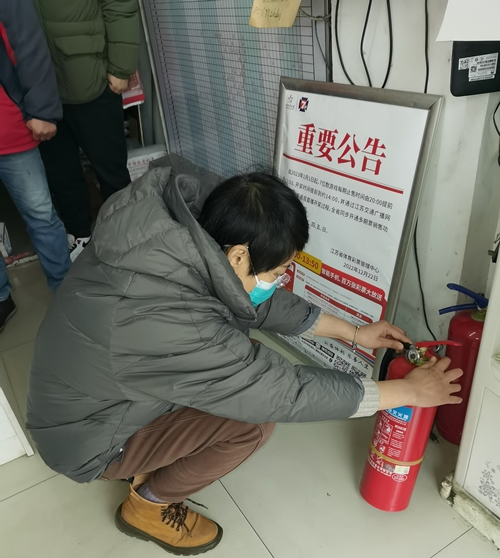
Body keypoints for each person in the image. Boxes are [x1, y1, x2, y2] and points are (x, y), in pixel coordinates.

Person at [27, 169, 462, 555]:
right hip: (88, 440)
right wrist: (407, 392)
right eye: (277, 273)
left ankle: (147, 465)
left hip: (85, 399)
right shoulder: (176, 320)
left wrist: (353, 333)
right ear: (238, 256)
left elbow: (250, 300)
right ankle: (149, 506)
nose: (279, 281)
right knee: (250, 424)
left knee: (237, 355)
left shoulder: (171, 238)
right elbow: (282, 392)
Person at [34, 0, 140, 261]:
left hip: (91, 76)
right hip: (39, 86)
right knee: (60, 172)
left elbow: (119, 5)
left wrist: (121, 67)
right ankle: (79, 235)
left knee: (111, 169)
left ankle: (127, 237)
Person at [0, 0, 71, 331]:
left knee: (41, 215)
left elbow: (26, 42)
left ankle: (65, 289)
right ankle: (1, 298)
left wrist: (42, 108)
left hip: (8, 127)